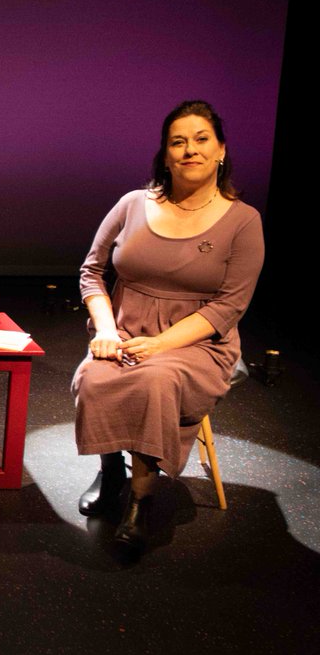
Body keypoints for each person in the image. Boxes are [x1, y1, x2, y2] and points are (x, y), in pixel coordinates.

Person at [72, 100, 263, 554]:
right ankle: (112, 469)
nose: (189, 150)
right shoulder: (133, 204)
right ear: (165, 154)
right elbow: (92, 272)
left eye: (201, 140)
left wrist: (158, 345)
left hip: (197, 344)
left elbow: (227, 307)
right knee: (94, 377)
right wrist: (105, 330)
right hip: (124, 333)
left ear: (221, 150)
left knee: (156, 381)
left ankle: (141, 501)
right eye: (178, 142)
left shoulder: (244, 222)